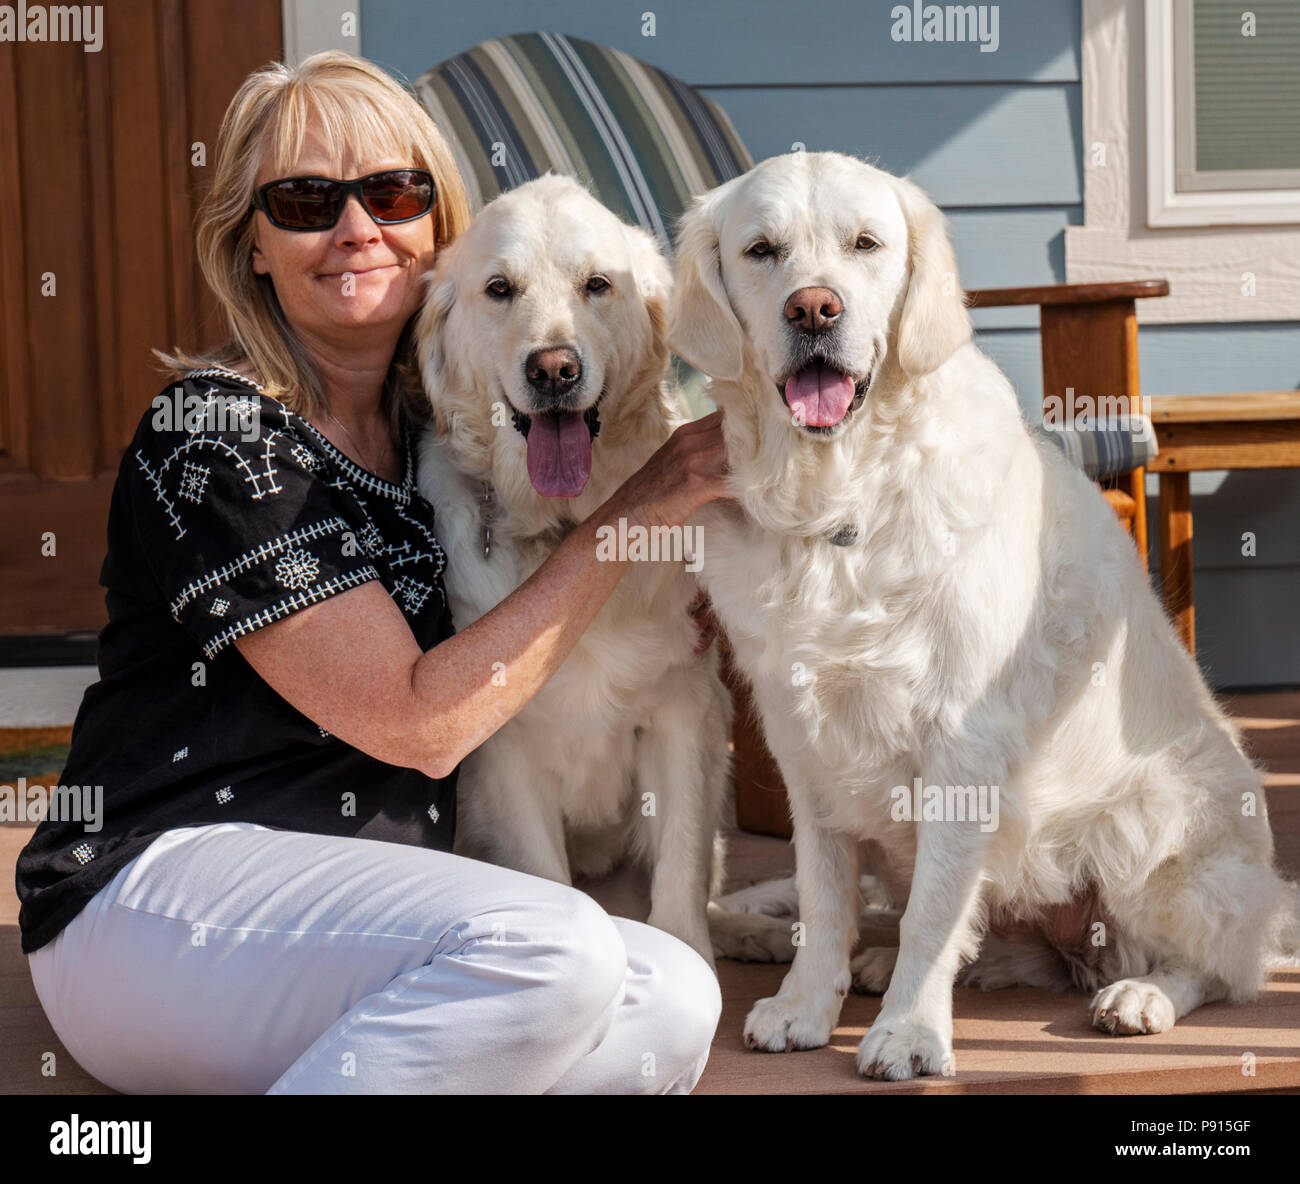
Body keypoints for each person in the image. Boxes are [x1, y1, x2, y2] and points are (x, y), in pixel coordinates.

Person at [15, 50, 730, 1095]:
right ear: (253, 245)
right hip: (162, 898)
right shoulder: (219, 434)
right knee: (556, 946)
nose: (356, 228)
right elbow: (420, 724)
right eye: (306, 200)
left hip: (375, 915)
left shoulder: (437, 432)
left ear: (439, 232)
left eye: (392, 193)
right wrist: (636, 515)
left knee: (674, 996)